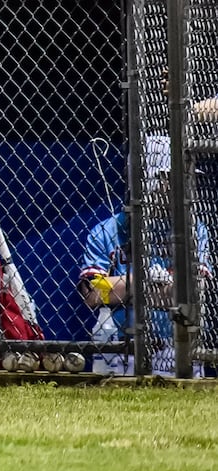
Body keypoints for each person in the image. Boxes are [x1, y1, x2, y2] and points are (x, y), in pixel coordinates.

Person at [78, 135, 211, 376]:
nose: (181, 186)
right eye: (170, 178)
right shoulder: (108, 230)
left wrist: (124, 289)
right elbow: (93, 293)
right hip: (119, 347)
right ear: (146, 179)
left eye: (186, 177)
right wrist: (144, 283)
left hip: (175, 344)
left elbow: (191, 293)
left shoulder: (195, 229)